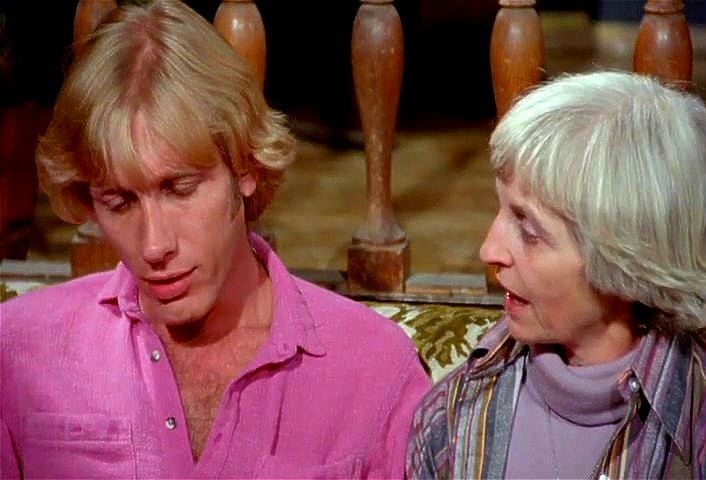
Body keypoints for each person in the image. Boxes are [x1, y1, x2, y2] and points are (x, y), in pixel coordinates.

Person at [0, 1, 431, 478]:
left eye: (180, 189)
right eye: (119, 202)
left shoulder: (372, 368)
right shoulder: (19, 352)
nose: (153, 246)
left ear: (244, 166)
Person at [406, 71, 706, 479]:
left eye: (529, 231)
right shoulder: (452, 417)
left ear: (629, 259)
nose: (489, 251)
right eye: (500, 210)